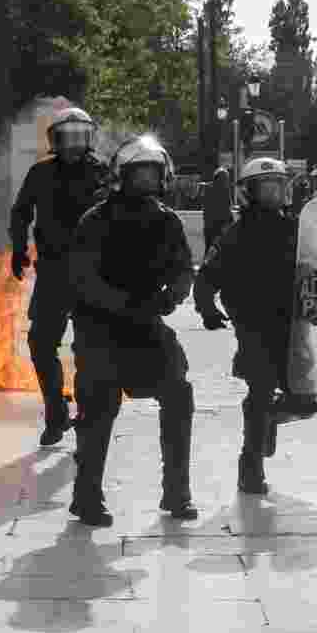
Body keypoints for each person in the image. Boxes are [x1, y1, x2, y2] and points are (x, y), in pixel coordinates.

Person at [69, 134, 197, 527]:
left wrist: (170, 298)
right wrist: (122, 305)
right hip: (100, 327)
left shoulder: (167, 219)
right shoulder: (95, 220)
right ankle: (86, 497)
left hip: (146, 324)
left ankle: (177, 492)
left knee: (178, 393)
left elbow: (182, 269)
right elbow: (84, 278)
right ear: (122, 176)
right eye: (138, 173)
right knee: (97, 409)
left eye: (152, 173)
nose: (146, 180)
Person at [194, 157, 300, 495]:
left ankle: (268, 419)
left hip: (293, 325)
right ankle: (251, 465)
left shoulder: (296, 228)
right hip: (254, 324)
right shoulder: (236, 234)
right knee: (260, 390)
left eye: (278, 187)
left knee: (304, 399)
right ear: (250, 193)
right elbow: (208, 275)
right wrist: (206, 307)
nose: (274, 194)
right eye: (266, 188)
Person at [10, 106, 110, 446]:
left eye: (81, 136)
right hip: (52, 270)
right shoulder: (40, 173)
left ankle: (87, 412)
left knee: (88, 347)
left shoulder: (103, 174)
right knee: (40, 343)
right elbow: (21, 211)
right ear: (56, 140)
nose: (74, 144)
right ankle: (55, 411)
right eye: (68, 137)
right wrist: (18, 249)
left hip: (93, 274)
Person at [202, 167, 234, 253]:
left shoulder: (207, 188)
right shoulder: (225, 189)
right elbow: (228, 208)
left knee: (209, 250)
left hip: (209, 227)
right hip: (220, 226)